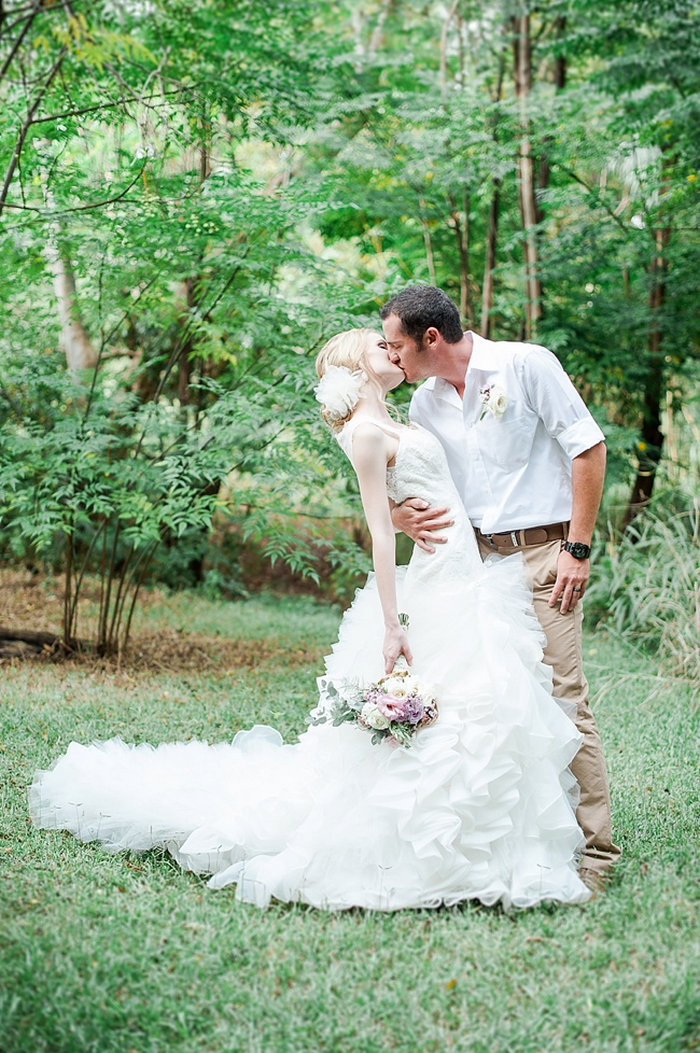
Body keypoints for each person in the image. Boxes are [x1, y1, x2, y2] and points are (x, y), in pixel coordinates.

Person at [29, 328, 590, 911]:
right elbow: (377, 530)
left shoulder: (410, 416)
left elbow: (444, 487)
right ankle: (415, 847)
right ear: (357, 367)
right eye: (382, 348)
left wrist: (405, 512)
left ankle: (494, 846)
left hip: (471, 575)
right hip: (435, 585)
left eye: (394, 345)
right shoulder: (367, 432)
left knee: (489, 711)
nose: (393, 354)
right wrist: (392, 620)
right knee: (445, 720)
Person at [380, 285, 620, 892]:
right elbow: (431, 488)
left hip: (547, 555)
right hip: (478, 568)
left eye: (397, 345)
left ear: (430, 339)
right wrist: (403, 516)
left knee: (564, 697)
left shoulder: (525, 365)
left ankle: (596, 854)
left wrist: (577, 549)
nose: (391, 357)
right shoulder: (423, 407)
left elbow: (588, 451)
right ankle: (528, 840)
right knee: (497, 707)